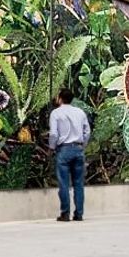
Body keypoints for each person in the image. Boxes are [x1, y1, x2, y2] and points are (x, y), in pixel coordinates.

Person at [47, 89, 91, 222]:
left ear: (60, 98)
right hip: (78, 150)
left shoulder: (56, 113)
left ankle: (65, 213)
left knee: (64, 183)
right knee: (78, 184)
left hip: (64, 150)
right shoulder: (80, 112)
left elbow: (54, 134)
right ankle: (79, 214)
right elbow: (87, 131)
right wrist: (82, 146)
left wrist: (51, 147)